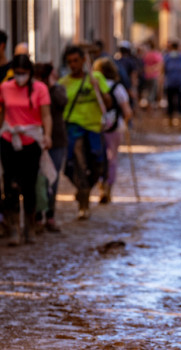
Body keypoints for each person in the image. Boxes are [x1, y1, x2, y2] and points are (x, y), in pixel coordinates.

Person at [0, 54, 52, 245]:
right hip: (8, 139)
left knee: (29, 185)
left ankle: (29, 227)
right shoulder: (5, 87)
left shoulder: (40, 89)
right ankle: (13, 228)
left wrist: (47, 135)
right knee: (10, 184)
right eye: (18, 73)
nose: (21, 77)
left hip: (31, 141)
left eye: (24, 73)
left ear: (30, 73)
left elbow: (46, 115)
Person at [58, 45, 111, 220]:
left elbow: (109, 103)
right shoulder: (63, 83)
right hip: (74, 127)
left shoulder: (96, 77)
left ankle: (85, 189)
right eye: (69, 62)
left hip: (94, 128)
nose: (73, 65)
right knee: (78, 161)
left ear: (83, 60)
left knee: (98, 164)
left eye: (76, 61)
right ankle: (83, 198)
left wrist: (99, 90)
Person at [93, 58, 132, 204]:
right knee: (112, 157)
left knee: (97, 155)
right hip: (115, 127)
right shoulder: (118, 88)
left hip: (95, 125)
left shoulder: (94, 86)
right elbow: (127, 111)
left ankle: (100, 183)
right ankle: (108, 184)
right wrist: (126, 122)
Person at [33, 63, 67, 232]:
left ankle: (50, 215)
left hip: (56, 141)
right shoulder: (30, 91)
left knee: (52, 179)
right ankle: (39, 216)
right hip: (34, 139)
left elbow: (63, 103)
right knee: (38, 180)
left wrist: (51, 86)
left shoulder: (57, 91)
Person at [163, 41, 181, 124]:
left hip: (170, 81)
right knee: (179, 98)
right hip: (179, 80)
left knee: (170, 99)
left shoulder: (167, 56)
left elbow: (163, 68)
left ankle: (170, 115)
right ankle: (179, 114)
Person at [142, 40, 163, 108]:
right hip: (154, 75)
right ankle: (150, 106)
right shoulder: (156, 54)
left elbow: (143, 65)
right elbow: (160, 65)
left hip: (146, 75)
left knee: (148, 91)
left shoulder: (146, 54)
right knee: (153, 92)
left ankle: (149, 105)